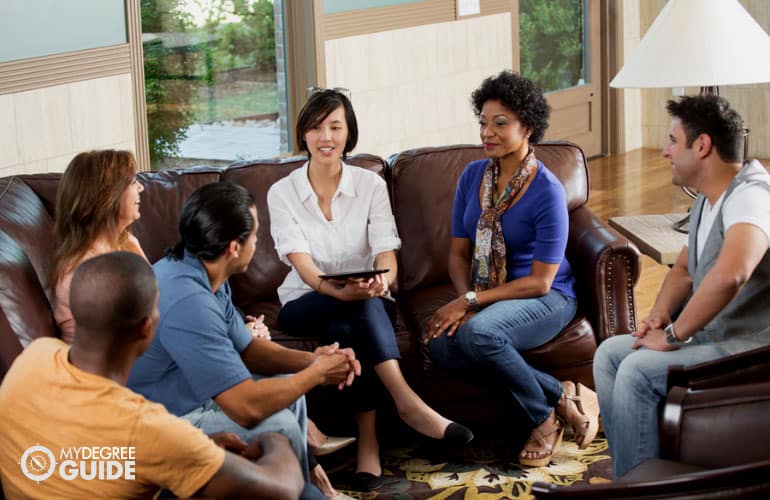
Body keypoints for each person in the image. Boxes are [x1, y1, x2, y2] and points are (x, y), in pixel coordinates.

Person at [267, 88, 473, 491]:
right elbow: (303, 266)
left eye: (335, 126)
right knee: (354, 307)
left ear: (349, 133)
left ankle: (369, 446)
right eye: (315, 127)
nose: (325, 136)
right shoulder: (283, 192)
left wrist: (381, 280)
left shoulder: (371, 185)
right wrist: (336, 289)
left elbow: (388, 258)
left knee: (354, 319)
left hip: (366, 301)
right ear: (303, 135)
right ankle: (408, 403)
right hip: (304, 301)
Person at [0, 251, 304, 499]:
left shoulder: (35, 357)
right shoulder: (148, 428)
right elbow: (282, 489)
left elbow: (94, 448)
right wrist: (273, 438)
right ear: (147, 327)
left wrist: (200, 444)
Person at [127, 182, 360, 500]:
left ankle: (309, 487)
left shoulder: (204, 269)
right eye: (255, 236)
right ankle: (301, 492)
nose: (258, 242)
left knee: (290, 389)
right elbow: (246, 407)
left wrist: (313, 360)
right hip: (166, 419)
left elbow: (248, 349)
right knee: (279, 424)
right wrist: (317, 375)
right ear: (234, 248)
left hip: (194, 391)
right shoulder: (186, 298)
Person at [425, 71, 599, 468]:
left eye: (500, 123)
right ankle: (561, 394)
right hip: (488, 293)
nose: (488, 132)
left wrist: (473, 302)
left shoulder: (547, 191)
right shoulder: (472, 176)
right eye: (483, 122)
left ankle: (541, 418)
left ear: (528, 128)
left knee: (479, 334)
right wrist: (466, 300)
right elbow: (457, 255)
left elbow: (541, 281)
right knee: (441, 345)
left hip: (548, 296)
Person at [594, 94, 770, 478]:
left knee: (638, 370)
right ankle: (631, 476)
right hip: (713, 337)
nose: (664, 151)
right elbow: (684, 269)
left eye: (673, 140)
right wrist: (658, 316)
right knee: (610, 354)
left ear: (702, 145)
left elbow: (732, 273)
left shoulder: (753, 195)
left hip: (751, 348)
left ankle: (648, 489)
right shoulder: (709, 199)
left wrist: (673, 335)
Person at [51, 150, 148, 343]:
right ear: (108, 196)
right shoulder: (83, 272)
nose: (141, 187)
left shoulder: (125, 241)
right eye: (132, 182)